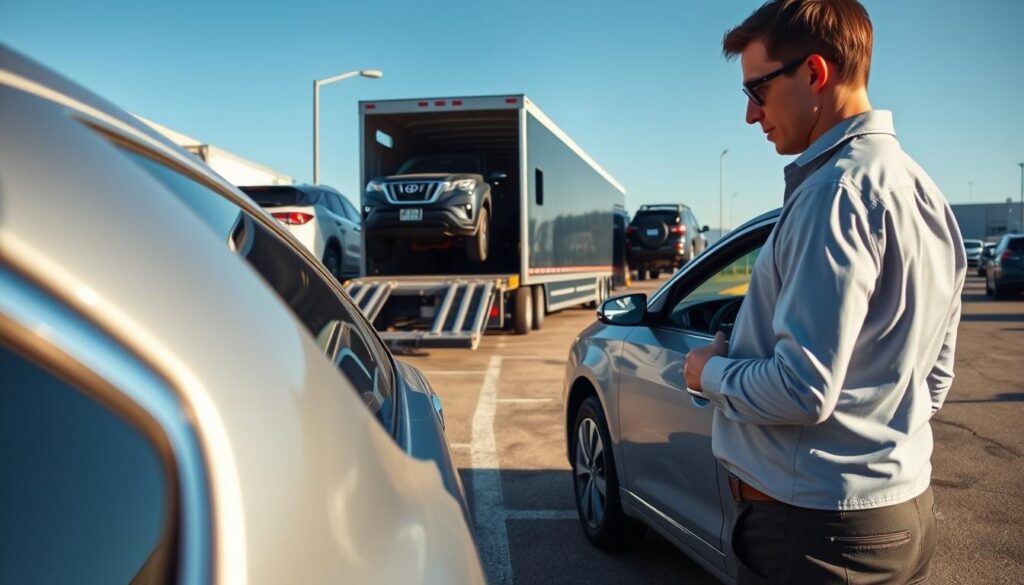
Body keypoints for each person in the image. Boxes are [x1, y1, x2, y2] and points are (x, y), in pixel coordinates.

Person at [682, 1, 966, 583]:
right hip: (902, 512)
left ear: (814, 73)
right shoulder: (923, 190)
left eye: (756, 91)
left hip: (814, 534)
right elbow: (933, 378)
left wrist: (706, 374)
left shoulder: (832, 195)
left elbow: (803, 388)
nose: (751, 115)